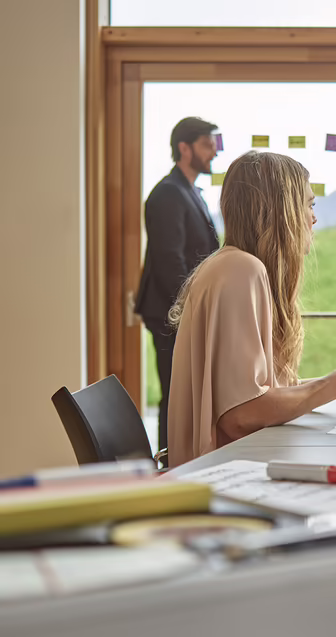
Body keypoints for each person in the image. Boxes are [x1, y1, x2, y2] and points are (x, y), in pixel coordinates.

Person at [167, 151, 336, 466]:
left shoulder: (232, 265)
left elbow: (271, 395)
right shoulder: (242, 270)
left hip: (232, 464)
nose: (314, 217)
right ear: (279, 209)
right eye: (308, 204)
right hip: (224, 476)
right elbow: (240, 415)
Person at [135, 117, 221, 457]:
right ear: (184, 148)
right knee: (175, 394)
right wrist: (191, 310)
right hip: (172, 313)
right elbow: (171, 262)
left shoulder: (191, 192)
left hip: (185, 310)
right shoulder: (168, 194)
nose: (214, 150)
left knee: (185, 393)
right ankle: (170, 464)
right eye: (206, 143)